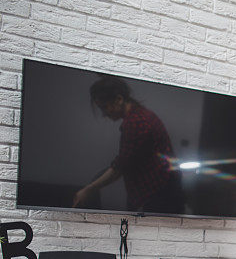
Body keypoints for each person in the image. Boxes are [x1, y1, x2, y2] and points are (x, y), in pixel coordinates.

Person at [73, 76, 183, 214]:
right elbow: (126, 161)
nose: (104, 114)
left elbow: (120, 167)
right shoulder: (140, 116)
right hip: (161, 193)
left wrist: (88, 190)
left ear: (119, 99)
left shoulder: (136, 123)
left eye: (104, 107)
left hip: (160, 197)